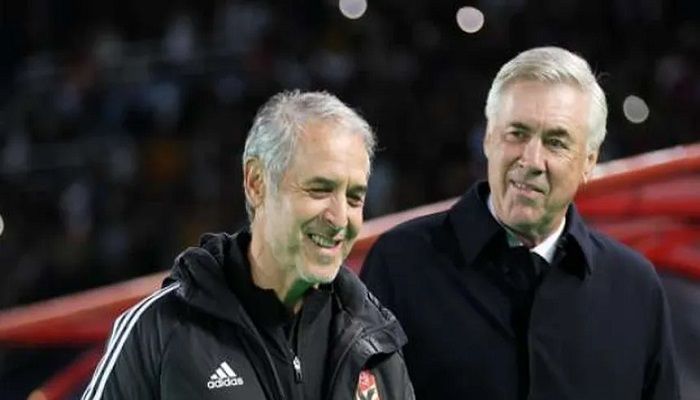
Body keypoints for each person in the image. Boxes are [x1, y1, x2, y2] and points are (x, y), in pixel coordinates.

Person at [361, 47, 680, 399]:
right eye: (517, 133)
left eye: (556, 142)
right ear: (488, 139)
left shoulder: (635, 288)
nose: (531, 160)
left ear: (589, 162)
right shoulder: (400, 263)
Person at [82, 91, 415, 400]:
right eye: (319, 190)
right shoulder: (159, 329)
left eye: (354, 198)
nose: (340, 218)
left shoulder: (376, 340)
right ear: (256, 183)